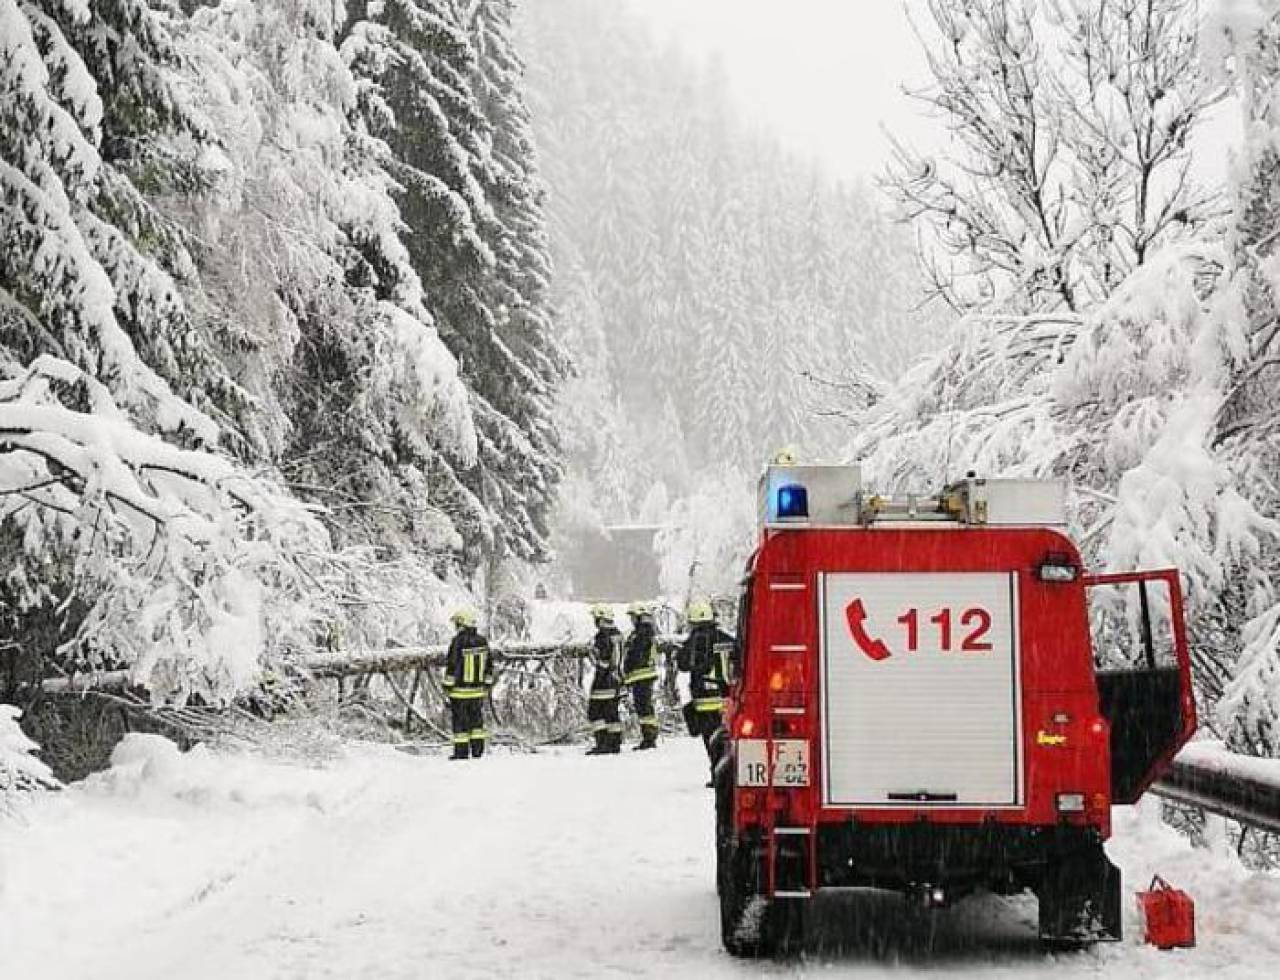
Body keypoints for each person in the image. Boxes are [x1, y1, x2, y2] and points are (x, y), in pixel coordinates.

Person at [678, 599, 734, 781]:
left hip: (703, 701)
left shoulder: (693, 642)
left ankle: (717, 775)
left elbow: (683, 664)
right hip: (725, 698)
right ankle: (728, 773)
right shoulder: (725, 638)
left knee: (710, 739)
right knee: (726, 739)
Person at [442, 609, 494, 760]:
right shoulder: (482, 641)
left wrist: (447, 686)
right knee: (477, 722)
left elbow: (452, 665)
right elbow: (489, 665)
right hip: (477, 691)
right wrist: (487, 684)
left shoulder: (457, 642)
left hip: (460, 691)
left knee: (460, 724)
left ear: (461, 624)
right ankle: (478, 750)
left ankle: (461, 753)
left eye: (457, 624)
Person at [586, 603, 624, 755]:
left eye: (596, 618)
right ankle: (614, 743)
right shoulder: (617, 635)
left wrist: (593, 656)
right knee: (611, 712)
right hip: (616, 679)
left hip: (604, 680)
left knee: (595, 712)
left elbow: (604, 660)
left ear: (601, 619)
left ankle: (603, 743)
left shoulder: (603, 636)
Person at [623, 601, 660, 750]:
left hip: (642, 675)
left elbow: (636, 655)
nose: (631, 619)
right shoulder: (641, 632)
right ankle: (648, 736)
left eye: (633, 616)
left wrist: (629, 667)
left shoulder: (643, 633)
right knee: (643, 707)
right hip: (640, 675)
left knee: (644, 708)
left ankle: (649, 737)